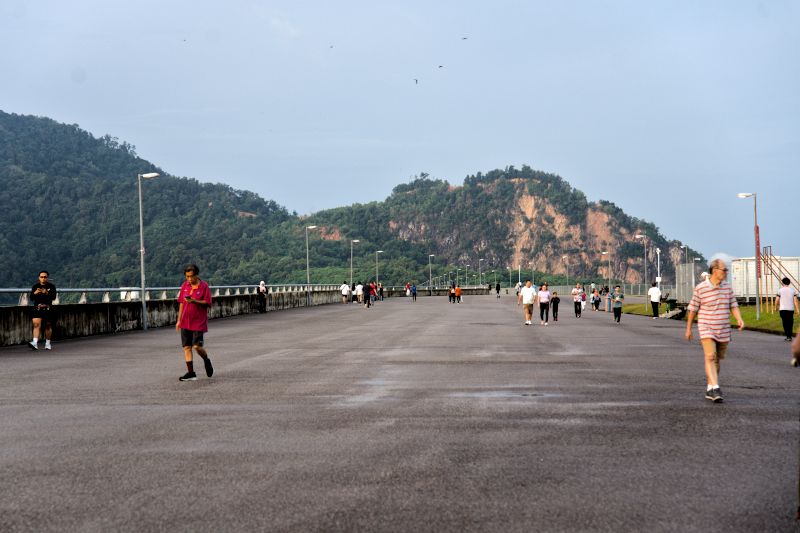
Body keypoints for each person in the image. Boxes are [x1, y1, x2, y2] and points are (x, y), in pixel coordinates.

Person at [685, 259, 744, 403]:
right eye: (724, 270)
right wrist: (688, 329)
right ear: (714, 270)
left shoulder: (727, 288)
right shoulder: (701, 288)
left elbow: (733, 305)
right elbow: (693, 310)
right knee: (710, 356)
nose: (726, 272)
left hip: (723, 328)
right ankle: (716, 387)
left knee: (716, 360)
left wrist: (739, 319)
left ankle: (710, 386)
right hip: (706, 327)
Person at [176, 264, 214, 381]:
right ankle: (191, 372)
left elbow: (208, 303)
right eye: (187, 277)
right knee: (187, 347)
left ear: (196, 275)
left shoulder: (204, 286)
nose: (189, 279)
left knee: (197, 346)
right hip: (185, 321)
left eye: (191, 276)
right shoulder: (185, 286)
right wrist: (179, 320)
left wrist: (194, 301)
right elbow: (181, 303)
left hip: (198, 321)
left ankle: (206, 359)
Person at [28, 270, 57, 350]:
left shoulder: (51, 287)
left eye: (45, 277)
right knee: (36, 324)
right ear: (39, 278)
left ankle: (47, 344)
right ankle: (34, 343)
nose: (43, 278)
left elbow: (53, 297)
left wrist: (46, 293)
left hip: (48, 308)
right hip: (37, 307)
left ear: (47, 278)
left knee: (48, 326)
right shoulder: (35, 286)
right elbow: (31, 298)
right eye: (41, 277)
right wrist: (35, 293)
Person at [777, 278, 799, 342]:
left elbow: (777, 300)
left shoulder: (780, 290)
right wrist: (797, 310)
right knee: (790, 322)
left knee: (785, 322)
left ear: (782, 283)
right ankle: (789, 336)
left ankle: (787, 335)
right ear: (789, 283)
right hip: (790, 309)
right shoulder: (793, 291)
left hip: (782, 309)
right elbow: (795, 301)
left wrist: (776, 307)